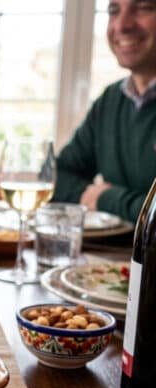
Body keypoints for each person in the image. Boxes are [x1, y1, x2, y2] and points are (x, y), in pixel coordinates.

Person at [53, 0, 156, 223]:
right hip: (112, 257)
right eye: (113, 11)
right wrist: (91, 195)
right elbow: (55, 177)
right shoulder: (110, 100)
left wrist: (106, 198)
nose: (122, 25)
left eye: (144, 7)